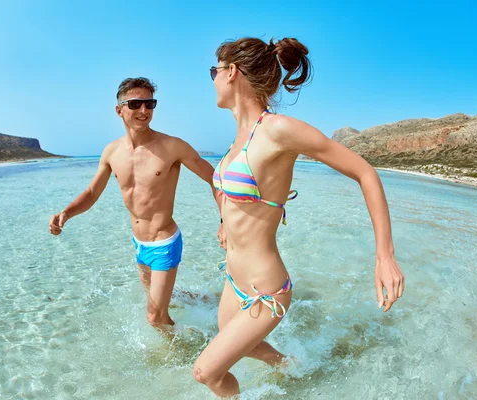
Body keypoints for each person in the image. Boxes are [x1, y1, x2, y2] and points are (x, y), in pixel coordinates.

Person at [192, 37, 405, 398]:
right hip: (234, 280)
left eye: (214, 70)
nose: (211, 78)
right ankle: (291, 365)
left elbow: (365, 172)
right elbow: (239, 197)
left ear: (232, 73)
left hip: (265, 289)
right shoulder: (237, 139)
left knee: (207, 372)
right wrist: (226, 222)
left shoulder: (277, 130)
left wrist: (385, 257)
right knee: (242, 347)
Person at [49, 77, 221, 333]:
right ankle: (209, 301)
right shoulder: (112, 152)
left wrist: (226, 221)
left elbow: (215, 179)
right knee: (160, 297)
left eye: (149, 104)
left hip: (164, 241)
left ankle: (184, 354)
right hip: (139, 243)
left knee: (154, 316)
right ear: (119, 110)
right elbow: (92, 192)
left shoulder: (172, 146)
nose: (144, 111)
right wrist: (67, 213)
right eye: (135, 104)